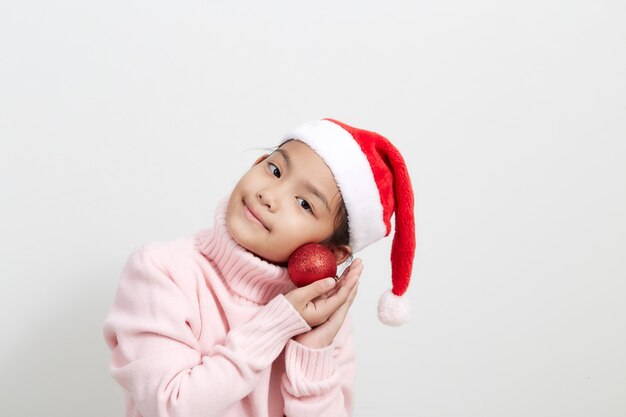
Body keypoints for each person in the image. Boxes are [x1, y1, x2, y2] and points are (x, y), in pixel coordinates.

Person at [103, 118, 416, 417]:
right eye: (275, 169)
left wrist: (312, 354)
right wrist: (279, 322)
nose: (269, 195)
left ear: (332, 253)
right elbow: (172, 407)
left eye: (305, 203)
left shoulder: (325, 325)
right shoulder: (162, 272)